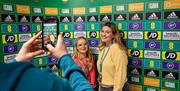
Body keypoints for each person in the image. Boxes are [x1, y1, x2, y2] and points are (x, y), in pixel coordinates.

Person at [0, 32, 94, 91]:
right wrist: (64, 57)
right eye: (80, 45)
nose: (83, 47)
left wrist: (16, 62)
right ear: (76, 47)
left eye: (85, 44)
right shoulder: (49, 82)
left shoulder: (91, 57)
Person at [97, 22, 129, 91]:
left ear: (114, 35)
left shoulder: (118, 49)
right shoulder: (102, 48)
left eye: (107, 32)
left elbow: (120, 74)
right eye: (102, 31)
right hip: (103, 86)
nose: (103, 34)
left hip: (114, 88)